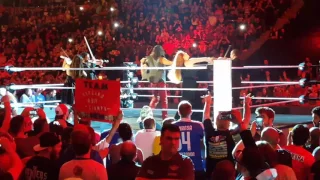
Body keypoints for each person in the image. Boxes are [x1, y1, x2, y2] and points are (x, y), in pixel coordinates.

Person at [167, 50, 214, 121]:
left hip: (186, 87)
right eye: (185, 53)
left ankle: (180, 119)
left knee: (187, 103)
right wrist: (210, 60)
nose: (187, 53)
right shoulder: (188, 62)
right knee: (195, 104)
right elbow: (203, 59)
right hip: (192, 86)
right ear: (183, 56)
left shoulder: (179, 67)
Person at [173, 100, 206, 180]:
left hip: (177, 166)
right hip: (196, 166)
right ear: (191, 112)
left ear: (178, 112)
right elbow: (203, 143)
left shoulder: (173, 126)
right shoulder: (198, 125)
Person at [140, 45, 173, 120]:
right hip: (160, 81)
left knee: (155, 98)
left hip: (153, 81)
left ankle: (148, 115)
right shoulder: (161, 59)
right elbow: (170, 63)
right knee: (163, 99)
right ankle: (165, 117)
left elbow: (144, 65)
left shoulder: (149, 59)